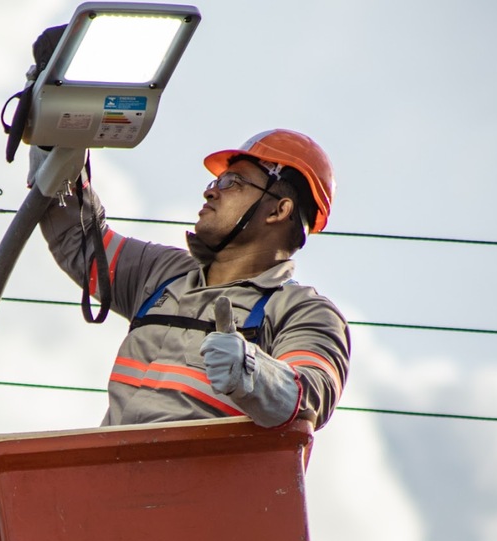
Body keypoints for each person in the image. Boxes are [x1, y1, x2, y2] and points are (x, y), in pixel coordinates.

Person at [32, 129, 350, 430]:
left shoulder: (303, 311)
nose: (211, 190)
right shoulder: (163, 273)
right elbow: (80, 237)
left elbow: (310, 393)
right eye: (217, 180)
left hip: (201, 487)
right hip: (110, 477)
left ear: (278, 211)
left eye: (233, 182)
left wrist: (251, 370)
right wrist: (57, 144)